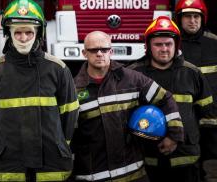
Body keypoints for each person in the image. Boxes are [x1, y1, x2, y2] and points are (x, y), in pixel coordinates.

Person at [0, 0, 79, 182]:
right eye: (18, 32)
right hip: (8, 160)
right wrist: (3, 142)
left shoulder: (58, 69)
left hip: (50, 159)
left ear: (38, 33)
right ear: (9, 33)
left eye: (28, 32)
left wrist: (59, 143)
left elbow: (69, 114)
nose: (23, 38)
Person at [72, 30, 184, 182]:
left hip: (134, 174)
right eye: (93, 50)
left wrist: (174, 135)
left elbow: (165, 98)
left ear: (111, 51)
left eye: (104, 49)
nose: (99, 54)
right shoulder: (73, 89)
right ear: (84, 53)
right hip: (93, 175)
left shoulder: (131, 79)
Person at [129, 16, 217, 182]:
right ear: (148, 46)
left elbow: (206, 114)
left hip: (186, 160)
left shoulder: (192, 73)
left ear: (176, 45)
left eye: (168, 44)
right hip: (147, 159)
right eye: (158, 44)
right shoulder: (134, 75)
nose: (164, 49)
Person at [175, 0, 217, 181]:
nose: (193, 21)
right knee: (186, 154)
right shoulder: (172, 43)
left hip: (213, 113)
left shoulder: (215, 43)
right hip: (184, 112)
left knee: (213, 154)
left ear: (203, 18)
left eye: (197, 16)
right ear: (179, 19)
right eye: (188, 16)